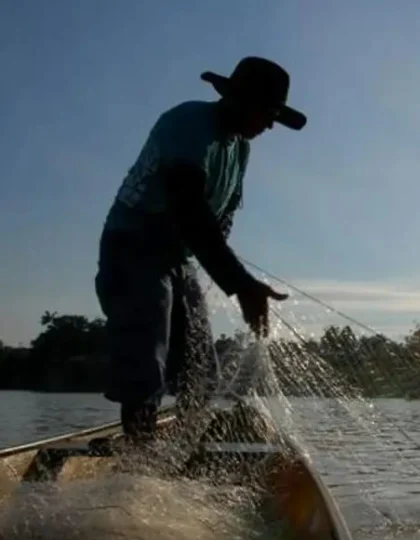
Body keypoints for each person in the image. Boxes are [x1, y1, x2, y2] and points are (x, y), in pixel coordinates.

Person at [95, 57, 306, 441]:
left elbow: (220, 219)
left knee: (202, 371)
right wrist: (240, 283)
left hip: (178, 258)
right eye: (267, 113)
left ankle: (182, 450)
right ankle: (138, 460)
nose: (270, 125)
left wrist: (229, 269)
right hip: (133, 246)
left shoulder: (240, 148)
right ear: (239, 100)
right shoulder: (189, 124)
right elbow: (189, 210)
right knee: (145, 363)